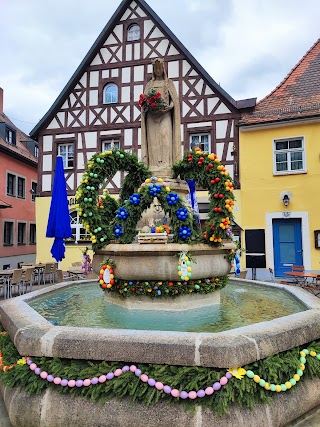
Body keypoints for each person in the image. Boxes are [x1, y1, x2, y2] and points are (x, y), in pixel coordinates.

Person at [141, 58, 181, 177]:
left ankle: (166, 164)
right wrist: (150, 106)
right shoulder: (149, 85)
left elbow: (175, 102)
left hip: (166, 115)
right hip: (152, 117)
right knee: (153, 139)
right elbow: (144, 103)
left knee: (165, 137)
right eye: (156, 69)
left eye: (160, 68)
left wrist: (168, 107)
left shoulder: (169, 83)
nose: (158, 71)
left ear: (163, 69)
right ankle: (153, 166)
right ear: (153, 70)